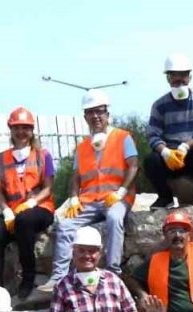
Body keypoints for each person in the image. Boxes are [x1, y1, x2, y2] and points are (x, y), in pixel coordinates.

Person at [49, 89, 139, 286]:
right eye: (91, 112)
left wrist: (121, 191)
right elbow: (75, 177)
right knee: (65, 226)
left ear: (107, 113)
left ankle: (113, 271)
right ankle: (59, 278)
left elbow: (133, 165)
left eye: (99, 111)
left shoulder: (123, 137)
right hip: (90, 201)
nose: (95, 116)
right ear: (85, 116)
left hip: (116, 198)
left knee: (115, 219)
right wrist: (73, 198)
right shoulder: (82, 147)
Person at [0, 106, 57, 299]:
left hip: (40, 208)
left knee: (24, 221)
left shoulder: (43, 155)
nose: (21, 132)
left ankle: (28, 278)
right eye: (17, 128)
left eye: (25, 128)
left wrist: (32, 202)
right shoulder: (2, 159)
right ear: (10, 130)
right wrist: (6, 211)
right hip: (13, 211)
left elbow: (48, 188)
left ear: (31, 130)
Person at [143, 53, 193, 208]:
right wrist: (165, 152)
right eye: (174, 76)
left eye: (183, 75)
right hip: (170, 159)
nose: (179, 80)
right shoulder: (159, 105)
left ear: (189, 77)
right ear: (168, 78)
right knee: (151, 160)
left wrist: (185, 146)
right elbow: (152, 135)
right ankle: (165, 197)